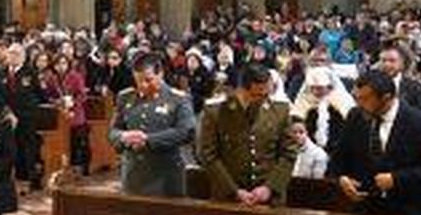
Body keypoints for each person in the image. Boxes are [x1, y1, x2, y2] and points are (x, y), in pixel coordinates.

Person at [328, 71, 421, 215]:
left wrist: (396, 179)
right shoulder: (356, 116)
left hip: (408, 213)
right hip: (364, 211)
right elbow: (338, 159)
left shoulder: (420, 123)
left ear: (386, 98)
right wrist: (342, 178)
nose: (359, 104)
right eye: (356, 97)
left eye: (365, 99)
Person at [196, 63, 295, 206]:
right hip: (228, 196)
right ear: (241, 90)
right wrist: (234, 191)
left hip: (269, 198)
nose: (264, 100)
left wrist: (269, 187)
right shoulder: (216, 112)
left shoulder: (280, 110)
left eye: (267, 94)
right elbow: (208, 155)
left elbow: (289, 153)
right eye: (258, 95)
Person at [108, 53, 195, 197]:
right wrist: (123, 136)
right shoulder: (126, 97)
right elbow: (113, 131)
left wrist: (147, 140)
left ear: (160, 74)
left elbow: (186, 132)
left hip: (165, 179)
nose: (142, 86)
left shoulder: (178, 98)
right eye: (138, 81)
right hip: (132, 177)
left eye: (148, 80)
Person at [0, 42, 44, 191]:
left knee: (26, 148)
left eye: (16, 54)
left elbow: (39, 95)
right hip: (6, 117)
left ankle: (29, 179)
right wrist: (7, 112)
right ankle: (8, 180)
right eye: (11, 53)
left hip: (26, 117)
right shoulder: (0, 73)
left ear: (23, 56)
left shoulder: (30, 73)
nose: (13, 57)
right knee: (7, 148)